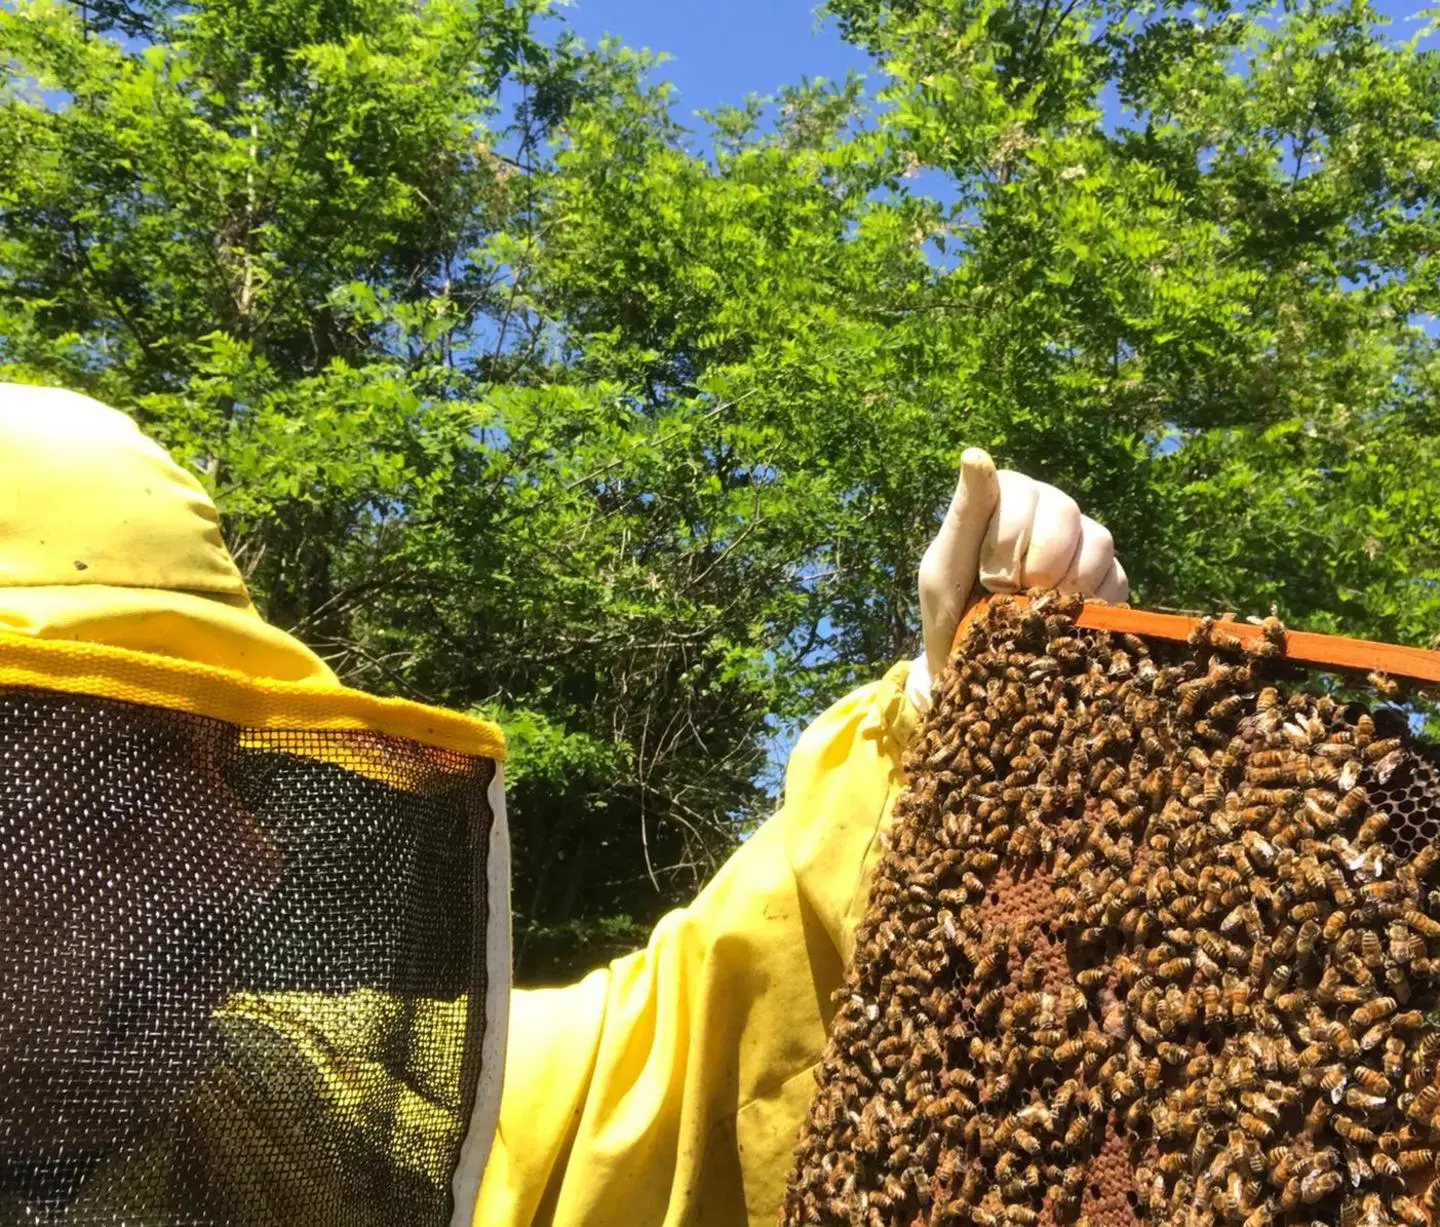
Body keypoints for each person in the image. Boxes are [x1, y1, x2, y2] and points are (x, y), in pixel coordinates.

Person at [0, 381, 1127, 1226]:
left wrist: (958, 722)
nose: (245, 859)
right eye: (128, 770)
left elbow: (689, 1058)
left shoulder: (332, 1112)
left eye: (225, 767)